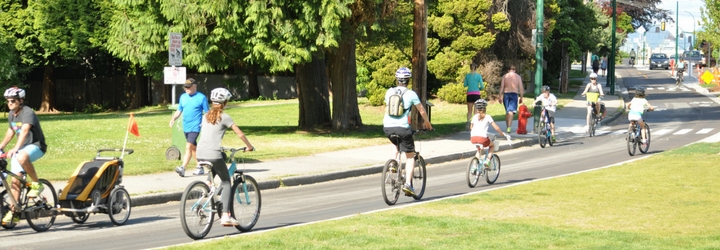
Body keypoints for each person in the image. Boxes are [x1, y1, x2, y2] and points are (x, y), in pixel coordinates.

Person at [195, 87, 254, 226]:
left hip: (200, 152)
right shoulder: (225, 117)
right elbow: (240, 134)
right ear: (225, 102)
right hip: (212, 153)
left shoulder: (205, 116)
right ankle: (226, 216)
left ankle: (209, 182)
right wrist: (249, 146)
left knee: (221, 155)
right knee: (227, 182)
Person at [0, 87, 47, 225]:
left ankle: (36, 184)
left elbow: (25, 131)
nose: (10, 103)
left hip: (36, 146)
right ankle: (15, 212)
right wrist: (1, 147)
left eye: (13, 101)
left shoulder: (28, 112)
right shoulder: (12, 114)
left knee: (20, 156)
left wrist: (15, 148)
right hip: (22, 149)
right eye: (8, 101)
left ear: (21, 100)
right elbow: (11, 131)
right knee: (16, 180)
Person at [383, 67, 433, 197]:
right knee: (410, 156)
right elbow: (421, 109)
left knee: (395, 142)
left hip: (387, 127)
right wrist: (426, 122)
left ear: (397, 79)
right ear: (408, 80)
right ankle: (408, 185)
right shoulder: (411, 94)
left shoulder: (389, 92)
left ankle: (393, 164)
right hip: (403, 128)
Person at [171, 78, 209, 177]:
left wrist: (204, 123)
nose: (186, 89)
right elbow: (179, 110)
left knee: (188, 147)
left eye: (188, 87)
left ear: (194, 86)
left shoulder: (201, 97)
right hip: (186, 126)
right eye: (185, 87)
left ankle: (182, 168)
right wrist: (173, 119)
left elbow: (207, 113)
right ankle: (200, 167)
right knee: (193, 148)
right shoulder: (183, 97)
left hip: (195, 126)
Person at [469, 99, 511, 169]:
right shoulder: (487, 117)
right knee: (492, 146)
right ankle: (487, 161)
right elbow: (496, 127)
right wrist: (501, 133)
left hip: (473, 138)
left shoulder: (474, 117)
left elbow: (471, 127)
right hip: (482, 138)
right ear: (485, 108)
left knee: (479, 150)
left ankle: (474, 166)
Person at [499, 66, 524, 133]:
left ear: (508, 70)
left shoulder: (505, 76)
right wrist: (521, 97)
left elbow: (501, 87)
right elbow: (521, 88)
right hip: (514, 94)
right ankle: (509, 127)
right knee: (511, 111)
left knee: (507, 111)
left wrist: (500, 96)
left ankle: (508, 127)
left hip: (506, 94)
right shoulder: (518, 77)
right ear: (514, 70)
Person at [463, 63, 484, 128]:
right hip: (476, 94)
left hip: (470, 94)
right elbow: (482, 86)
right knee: (476, 110)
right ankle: (475, 123)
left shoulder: (467, 76)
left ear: (470, 68)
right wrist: (479, 88)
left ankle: (468, 122)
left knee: (469, 110)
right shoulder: (478, 76)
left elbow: (465, 85)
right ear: (476, 68)